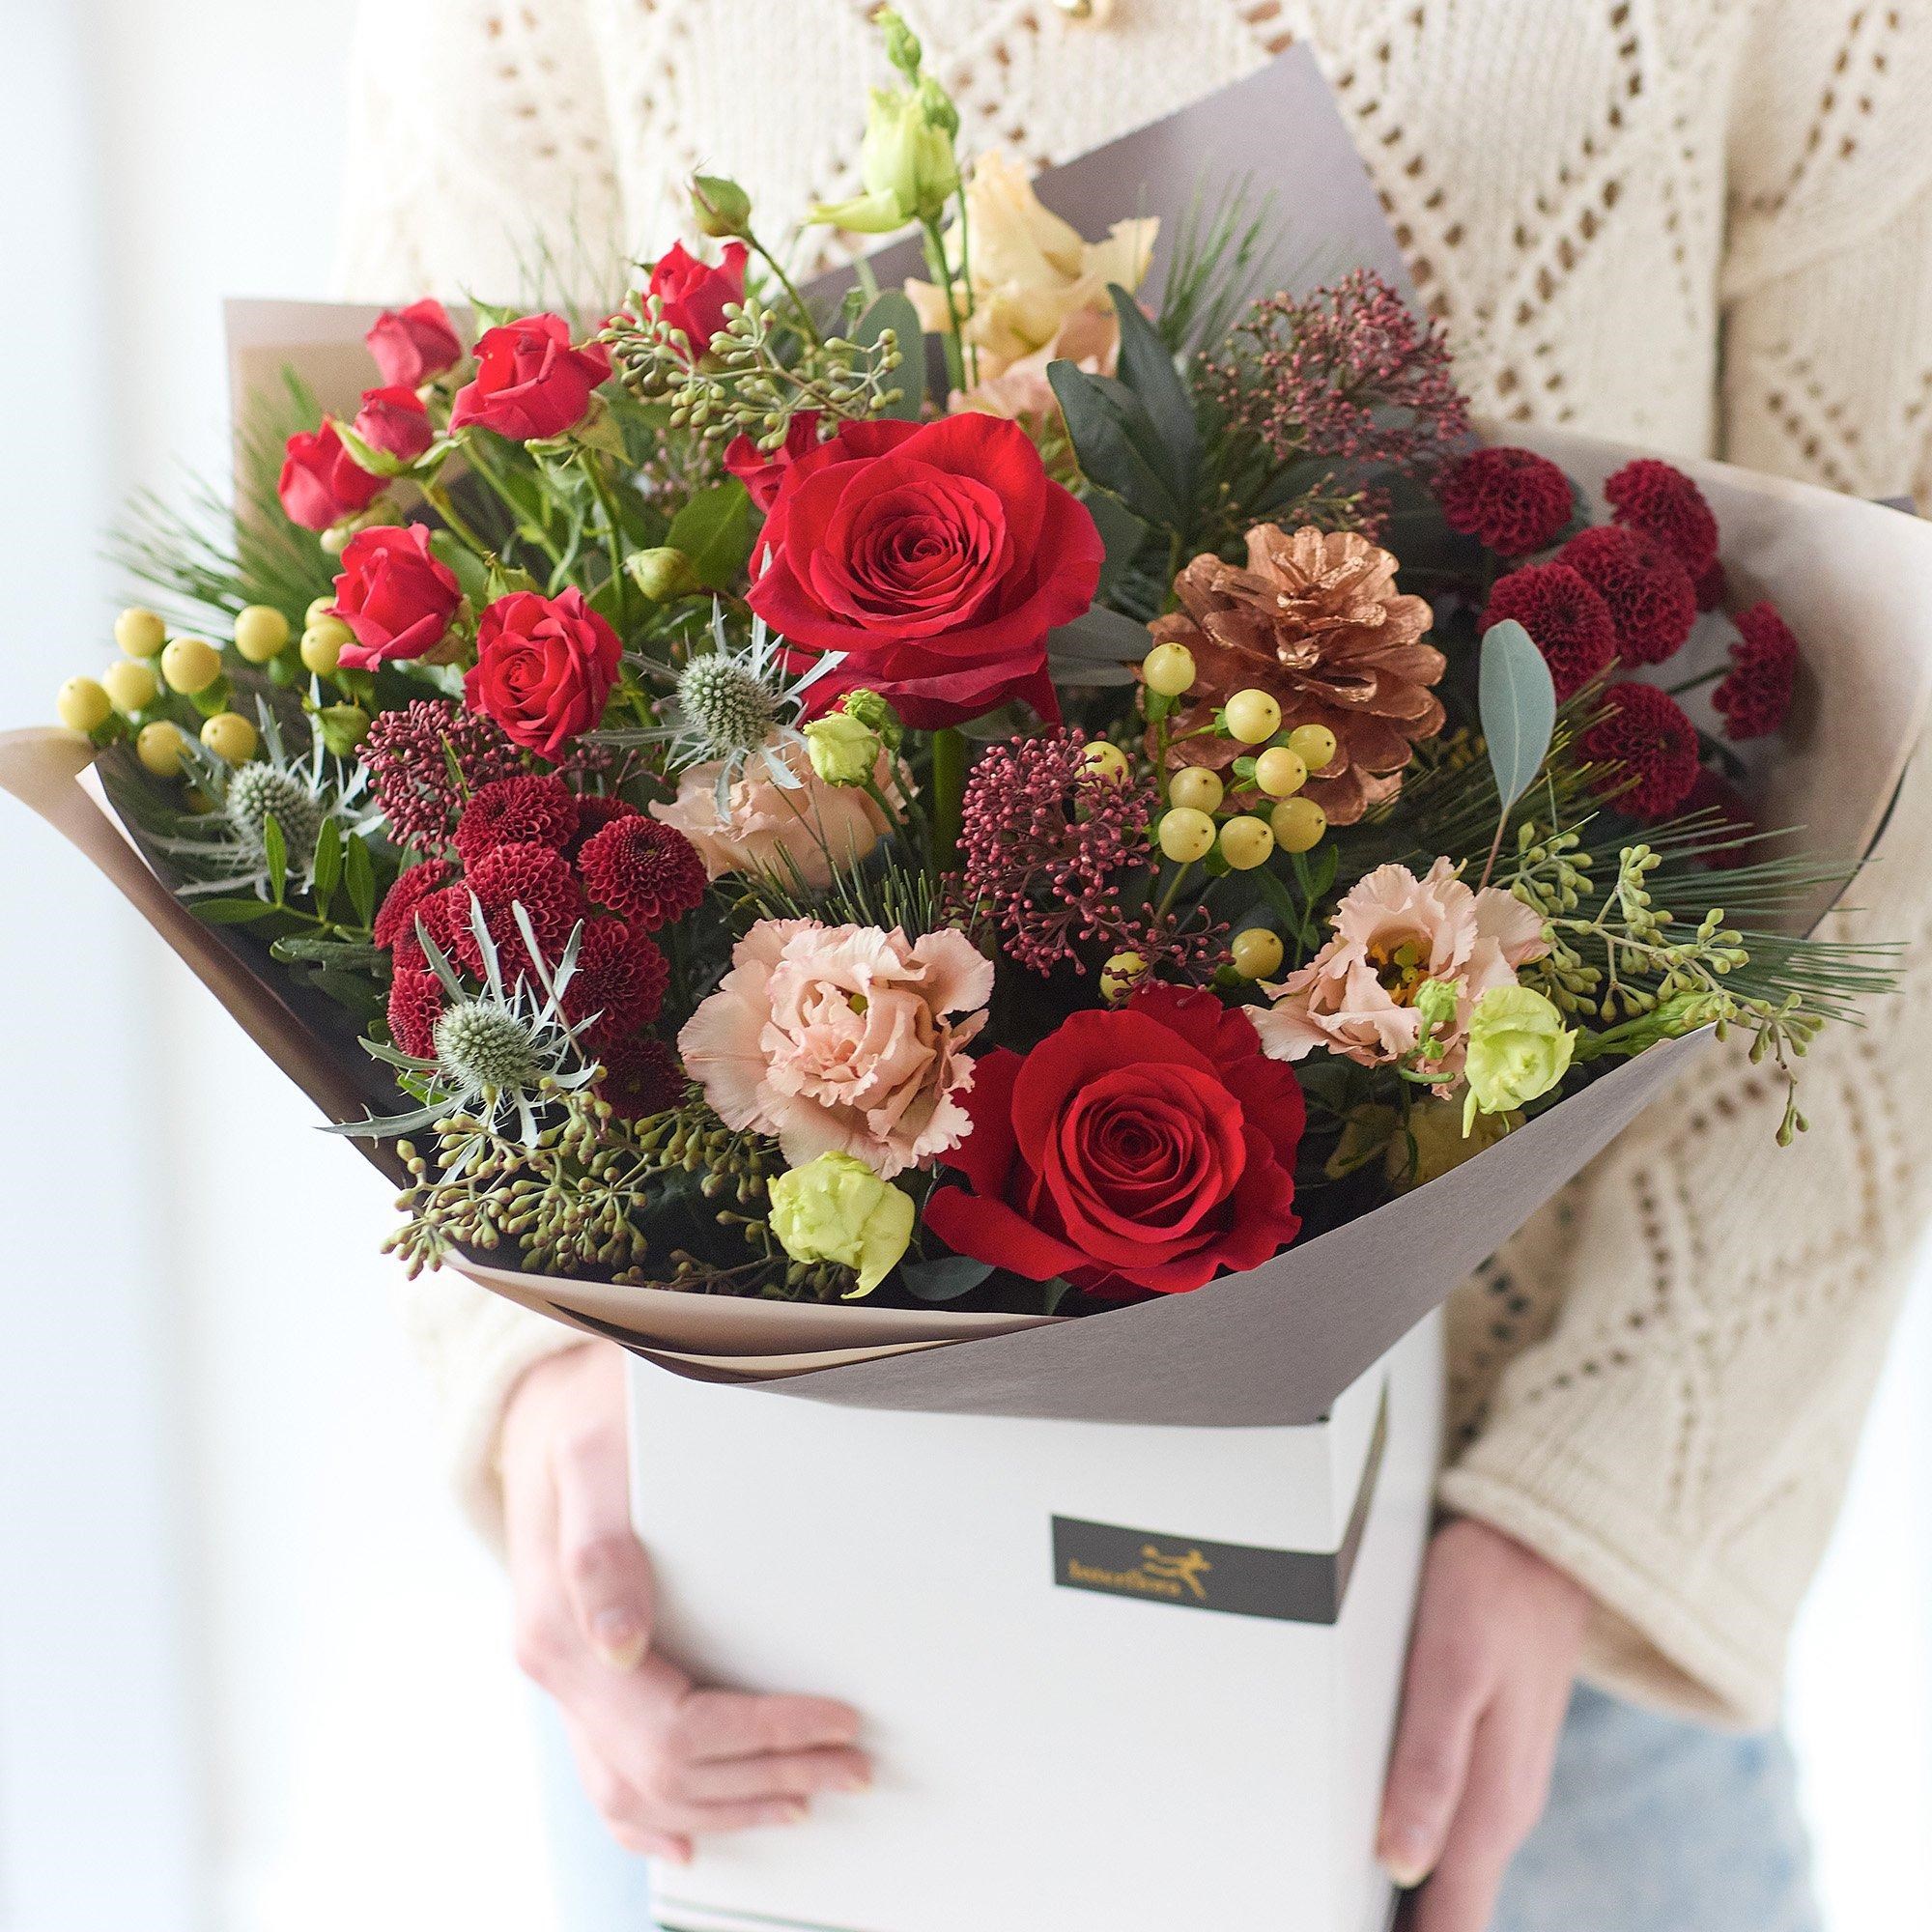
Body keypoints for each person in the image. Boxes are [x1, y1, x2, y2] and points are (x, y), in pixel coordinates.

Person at [338, 3, 1932, 1926]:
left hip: (1506, 1652)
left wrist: (1593, 1502)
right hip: (764, 1644)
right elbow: (413, 710)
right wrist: (548, 1392)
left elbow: (1890, 787)